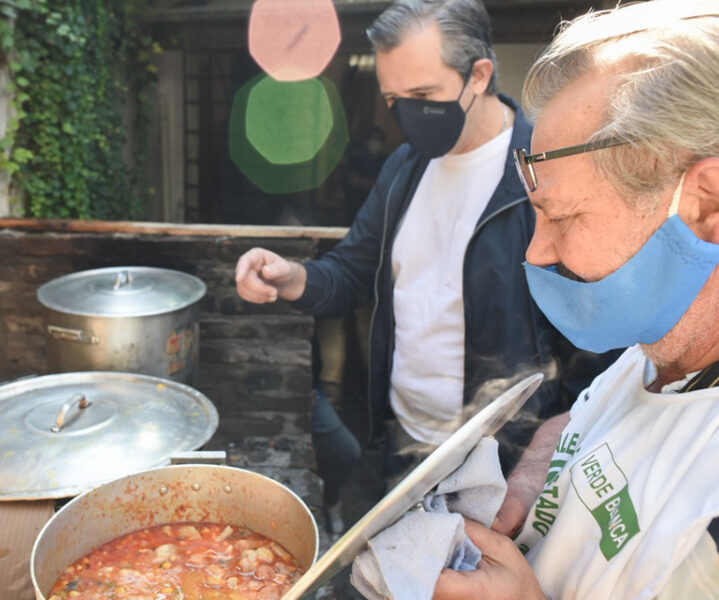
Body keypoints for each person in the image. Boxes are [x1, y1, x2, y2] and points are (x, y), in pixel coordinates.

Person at [432, 1, 719, 598]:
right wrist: (534, 476)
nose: (536, 254)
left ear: (708, 205)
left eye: (565, 216)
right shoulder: (672, 340)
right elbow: (594, 417)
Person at [236, 0, 617, 496]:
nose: (407, 115)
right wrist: (291, 276)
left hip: (503, 461)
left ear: (478, 75)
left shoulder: (544, 177)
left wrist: (542, 459)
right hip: (405, 442)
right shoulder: (403, 168)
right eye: (394, 99)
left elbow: (594, 348)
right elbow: (353, 272)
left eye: (423, 94)